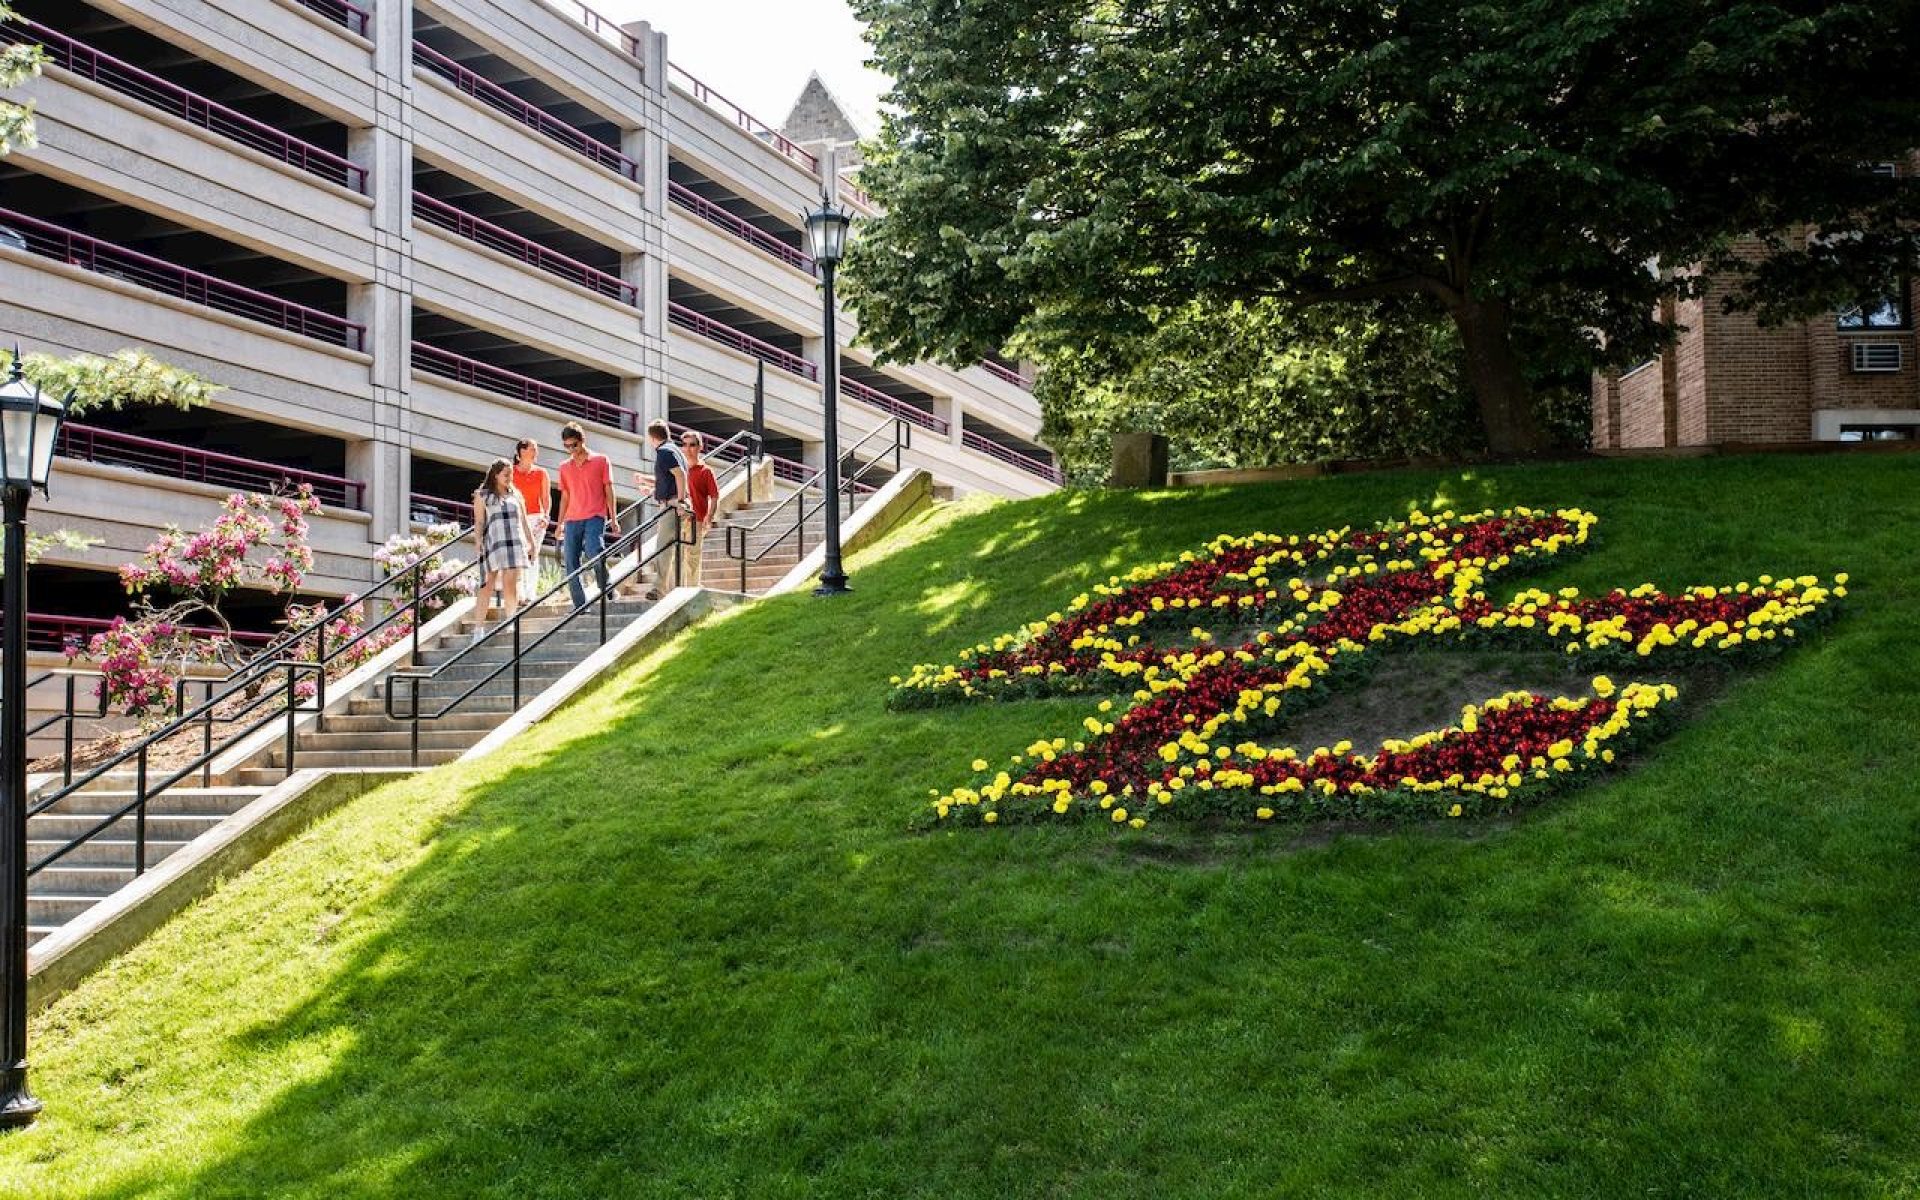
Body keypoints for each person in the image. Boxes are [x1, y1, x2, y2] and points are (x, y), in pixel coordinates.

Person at [471, 458, 535, 640]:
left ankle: (510, 621)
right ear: (496, 475)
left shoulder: (516, 495)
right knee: (486, 585)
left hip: (514, 542)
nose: (509, 478)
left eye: (511, 474)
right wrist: (478, 541)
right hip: (493, 543)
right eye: (506, 475)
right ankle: (478, 629)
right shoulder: (483, 496)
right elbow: (480, 521)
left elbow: (523, 520)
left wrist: (531, 543)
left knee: (510, 584)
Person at [557, 422, 618, 609]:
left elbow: (609, 489)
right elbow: (565, 496)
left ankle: (606, 586)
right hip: (572, 519)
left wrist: (613, 518)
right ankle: (580, 605)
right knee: (570, 561)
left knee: (594, 552)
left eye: (574, 445)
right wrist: (559, 524)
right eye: (567, 446)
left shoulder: (601, 460)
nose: (571, 450)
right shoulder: (564, 467)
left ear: (583, 440)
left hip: (595, 516)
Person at [632, 420, 689, 599]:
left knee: (663, 548)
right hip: (672, 503)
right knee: (675, 548)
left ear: (652, 437)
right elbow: (667, 479)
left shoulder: (664, 452)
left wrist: (681, 501)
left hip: (672, 506)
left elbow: (680, 475)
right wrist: (647, 482)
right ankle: (677, 588)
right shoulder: (675, 450)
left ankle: (660, 589)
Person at [510, 438, 552, 605]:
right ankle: (518, 594)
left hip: (536, 518)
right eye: (533, 449)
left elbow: (546, 497)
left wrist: (546, 515)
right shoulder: (511, 472)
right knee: (518, 554)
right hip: (517, 518)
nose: (536, 452)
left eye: (536, 449)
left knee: (532, 553)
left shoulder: (542, 473)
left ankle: (530, 594)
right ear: (522, 451)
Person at [679, 430, 720, 589]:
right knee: (678, 556)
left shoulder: (706, 471)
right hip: (680, 519)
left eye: (692, 445)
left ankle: (692, 588)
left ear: (700, 447)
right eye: (685, 445)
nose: (688, 448)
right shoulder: (680, 469)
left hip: (697, 519)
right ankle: (679, 588)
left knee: (693, 556)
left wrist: (709, 517)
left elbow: (714, 496)